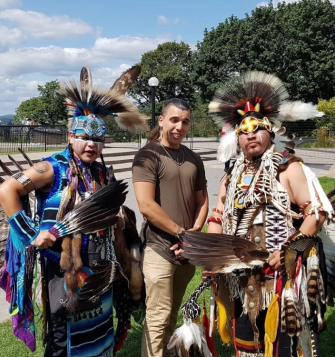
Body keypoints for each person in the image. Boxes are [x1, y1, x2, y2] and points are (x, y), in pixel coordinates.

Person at [0, 65, 147, 357]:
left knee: (101, 333)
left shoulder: (102, 174)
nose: (91, 144)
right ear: (70, 135)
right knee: (65, 341)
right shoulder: (52, 168)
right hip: (63, 272)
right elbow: (6, 191)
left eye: (98, 139)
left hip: (101, 270)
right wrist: (31, 234)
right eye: (85, 137)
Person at [204, 71, 334, 357]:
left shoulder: (288, 168)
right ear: (236, 138)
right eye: (244, 131)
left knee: (282, 345)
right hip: (239, 276)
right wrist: (213, 257)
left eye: (258, 128)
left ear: (270, 132)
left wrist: (290, 249)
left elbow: (317, 213)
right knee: (247, 346)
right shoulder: (231, 175)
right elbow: (216, 217)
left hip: (280, 278)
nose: (251, 135)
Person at [132, 98, 209, 357]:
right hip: (159, 248)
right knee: (158, 316)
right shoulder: (148, 155)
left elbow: (203, 200)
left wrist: (194, 234)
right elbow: (146, 205)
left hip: (187, 250)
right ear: (162, 120)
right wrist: (181, 233)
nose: (180, 126)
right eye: (174, 120)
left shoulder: (193, 158)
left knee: (173, 312)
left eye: (185, 122)